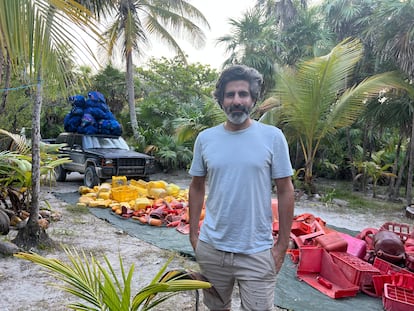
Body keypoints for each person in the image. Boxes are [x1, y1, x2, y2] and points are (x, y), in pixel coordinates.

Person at [188, 64, 295, 310]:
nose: (237, 101)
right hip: (212, 248)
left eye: (243, 94)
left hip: (256, 251)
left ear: (253, 99)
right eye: (230, 94)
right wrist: (195, 235)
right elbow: (196, 187)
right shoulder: (205, 139)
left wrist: (281, 246)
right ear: (221, 100)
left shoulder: (273, 137)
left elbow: (286, 190)